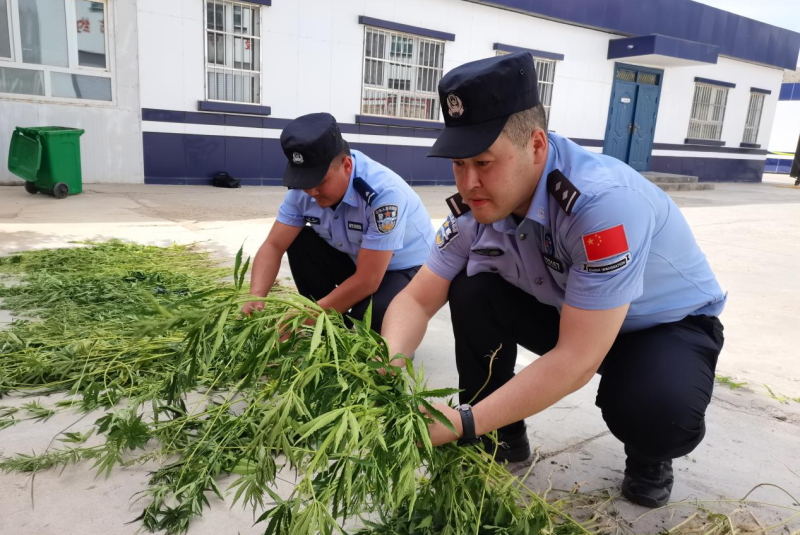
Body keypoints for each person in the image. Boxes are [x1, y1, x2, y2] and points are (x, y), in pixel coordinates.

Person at [380, 52, 726, 508]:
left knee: (658, 409)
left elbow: (577, 359)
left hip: (660, 328)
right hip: (573, 314)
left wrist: (461, 422)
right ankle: (500, 433)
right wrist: (386, 365)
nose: (468, 183)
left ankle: (649, 455)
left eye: (483, 162)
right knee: (473, 288)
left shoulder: (602, 205)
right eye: (458, 164)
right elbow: (417, 299)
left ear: (537, 145)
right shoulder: (477, 208)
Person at [243, 113, 434, 336]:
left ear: (347, 165)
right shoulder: (303, 191)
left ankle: (327, 317)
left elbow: (368, 279)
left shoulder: (383, 194)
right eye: (304, 181)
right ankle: (328, 327)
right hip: (359, 258)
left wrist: (305, 316)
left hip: (406, 268)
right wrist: (256, 297)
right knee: (300, 243)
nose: (311, 192)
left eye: (319, 181)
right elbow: (274, 246)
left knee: (370, 318)